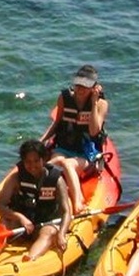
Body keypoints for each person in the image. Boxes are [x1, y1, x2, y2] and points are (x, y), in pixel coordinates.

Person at [40, 65, 109, 215]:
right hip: (64, 147)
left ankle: (78, 201)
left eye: (85, 86)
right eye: (78, 85)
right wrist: (41, 141)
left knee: (67, 164)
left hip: (87, 152)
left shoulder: (101, 104)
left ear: (94, 87)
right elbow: (57, 123)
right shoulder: (64, 98)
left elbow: (93, 131)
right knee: (51, 164)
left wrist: (94, 103)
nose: (80, 89)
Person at [0, 140, 72, 262]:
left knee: (49, 232)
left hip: (45, 224)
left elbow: (66, 212)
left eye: (36, 161)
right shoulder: (16, 178)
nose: (32, 166)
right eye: (28, 162)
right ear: (23, 162)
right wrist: (20, 217)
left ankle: (30, 259)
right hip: (22, 225)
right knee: (4, 223)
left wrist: (61, 234)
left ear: (43, 160)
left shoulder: (56, 180)